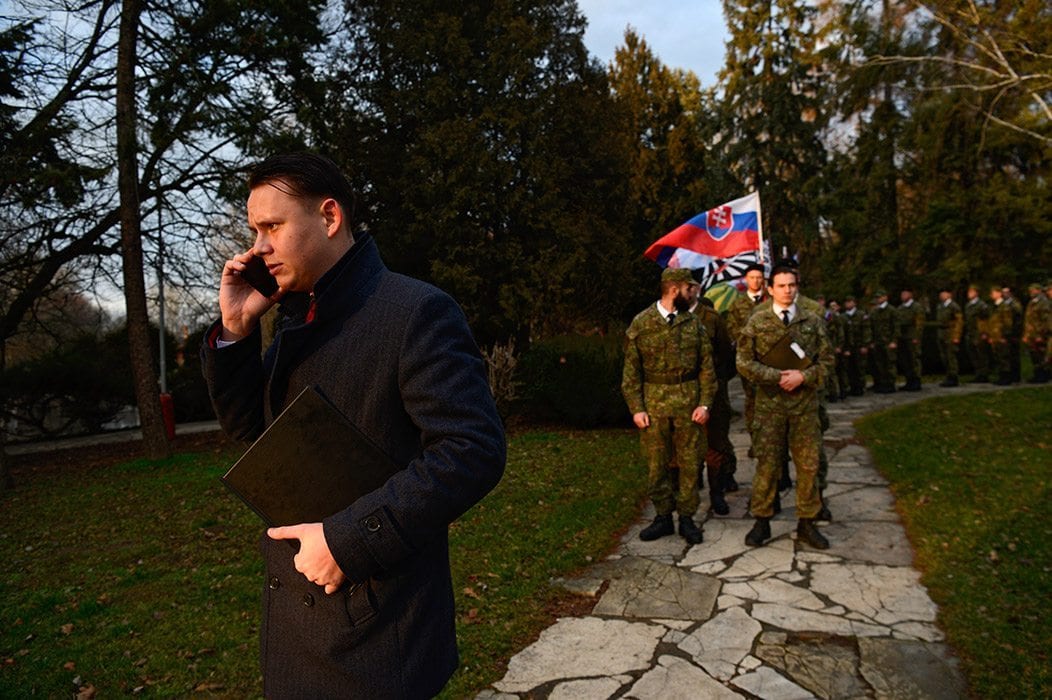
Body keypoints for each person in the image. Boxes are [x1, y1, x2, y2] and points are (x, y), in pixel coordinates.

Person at [200, 153, 506, 698]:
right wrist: (236, 330)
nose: (257, 247)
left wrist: (347, 542)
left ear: (330, 216)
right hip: (299, 625)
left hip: (375, 628)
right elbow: (248, 429)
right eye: (254, 231)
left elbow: (472, 449)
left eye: (272, 226)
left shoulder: (415, 311)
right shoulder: (295, 318)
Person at [736, 263, 833, 550]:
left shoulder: (812, 320)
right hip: (770, 407)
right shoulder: (757, 321)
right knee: (768, 465)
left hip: (804, 407)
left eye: (792, 285)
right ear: (770, 289)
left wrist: (804, 376)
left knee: (808, 465)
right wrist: (776, 377)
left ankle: (807, 522)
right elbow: (743, 362)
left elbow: (828, 361)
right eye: (781, 286)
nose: (787, 290)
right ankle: (762, 520)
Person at [622, 267, 716, 544]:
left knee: (691, 463)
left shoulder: (693, 324)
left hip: (689, 405)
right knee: (657, 464)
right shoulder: (642, 323)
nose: (693, 293)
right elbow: (631, 372)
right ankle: (663, 516)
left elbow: (707, 368)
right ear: (674, 290)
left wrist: (705, 404)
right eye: (689, 289)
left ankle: (686, 517)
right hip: (654, 406)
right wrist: (636, 408)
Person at [689, 285, 736, 516]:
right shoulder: (668, 317)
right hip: (682, 392)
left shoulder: (712, 318)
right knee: (684, 446)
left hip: (713, 390)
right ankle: (687, 494)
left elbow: (726, 352)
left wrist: (718, 379)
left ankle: (717, 493)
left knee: (716, 443)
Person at [726, 262, 768, 451]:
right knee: (752, 399)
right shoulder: (738, 305)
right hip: (749, 359)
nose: (756, 281)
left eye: (759, 277)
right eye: (752, 277)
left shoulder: (770, 301)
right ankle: (756, 441)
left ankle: (774, 444)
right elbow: (732, 329)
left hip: (771, 358)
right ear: (746, 279)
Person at [840, 295, 871, 396]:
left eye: (850, 302)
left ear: (854, 303)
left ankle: (860, 387)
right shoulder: (843, 316)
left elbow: (866, 331)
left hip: (859, 345)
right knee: (850, 367)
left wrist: (865, 345)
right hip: (849, 346)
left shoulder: (861, 315)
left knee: (860, 367)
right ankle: (852, 387)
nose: (848, 304)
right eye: (846, 302)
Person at [895, 287, 925, 391]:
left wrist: (917, 336)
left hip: (912, 336)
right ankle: (909, 380)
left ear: (910, 295)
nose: (903, 296)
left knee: (914, 359)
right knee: (905, 360)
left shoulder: (916, 307)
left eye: (905, 294)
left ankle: (916, 380)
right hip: (903, 337)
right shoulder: (900, 308)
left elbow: (919, 323)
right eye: (902, 294)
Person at [934, 286, 963, 387]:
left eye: (944, 293)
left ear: (949, 295)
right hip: (942, 333)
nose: (942, 295)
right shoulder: (940, 306)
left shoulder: (954, 306)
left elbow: (959, 322)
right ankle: (948, 375)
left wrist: (956, 336)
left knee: (951, 356)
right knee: (944, 356)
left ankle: (953, 377)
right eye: (941, 293)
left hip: (950, 333)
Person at [869, 290, 897, 393]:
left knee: (890, 363)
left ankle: (890, 384)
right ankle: (882, 383)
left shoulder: (891, 310)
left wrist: (894, 341)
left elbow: (896, 326)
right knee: (880, 364)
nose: (878, 299)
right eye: (877, 298)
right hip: (878, 341)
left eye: (880, 297)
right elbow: (871, 327)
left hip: (888, 341)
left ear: (885, 297)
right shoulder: (874, 311)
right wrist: (871, 341)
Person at [963, 284, 992, 382]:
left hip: (979, 332)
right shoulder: (968, 305)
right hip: (970, 332)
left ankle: (984, 374)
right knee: (973, 354)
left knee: (981, 354)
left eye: (971, 292)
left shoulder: (982, 305)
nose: (969, 294)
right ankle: (978, 373)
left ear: (976, 293)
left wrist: (985, 332)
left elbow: (986, 320)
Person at [1022, 282, 1050, 383]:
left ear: (1038, 290)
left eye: (1033, 290)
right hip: (1032, 333)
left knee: (1040, 354)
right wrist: (1026, 334)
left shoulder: (1043, 302)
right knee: (1034, 354)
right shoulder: (1032, 302)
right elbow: (1028, 320)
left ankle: (1043, 375)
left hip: (1039, 333)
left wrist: (1041, 334)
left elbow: (1045, 320)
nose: (1031, 292)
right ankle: (1037, 373)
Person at [988, 285, 1015, 385]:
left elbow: (1007, 322)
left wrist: (1005, 335)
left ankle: (1006, 376)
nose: (991, 295)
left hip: (1001, 336)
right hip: (995, 335)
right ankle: (1001, 375)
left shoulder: (1004, 306)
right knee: (998, 356)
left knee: (1004, 357)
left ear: (999, 293)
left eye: (993, 293)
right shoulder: (994, 306)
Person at [1002, 286, 1024, 382]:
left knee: (1014, 354)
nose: (1004, 294)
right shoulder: (1004, 303)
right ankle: (1009, 373)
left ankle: (1016, 375)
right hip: (1007, 331)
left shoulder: (1015, 304)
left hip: (1014, 332)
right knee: (1007, 354)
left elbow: (1018, 318)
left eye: (1006, 292)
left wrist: (1016, 331)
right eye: (1003, 292)